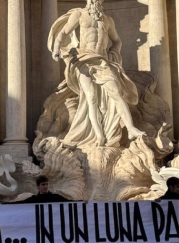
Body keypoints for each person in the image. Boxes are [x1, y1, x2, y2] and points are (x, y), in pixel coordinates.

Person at [48, 0, 146, 147]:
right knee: (91, 98)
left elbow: (117, 41)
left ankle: (131, 129)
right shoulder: (79, 14)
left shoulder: (107, 20)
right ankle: (99, 136)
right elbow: (63, 32)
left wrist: (113, 55)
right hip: (84, 60)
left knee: (116, 93)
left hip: (102, 61)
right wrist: (56, 49)